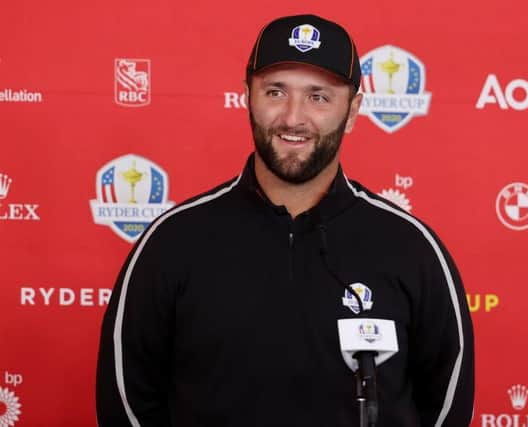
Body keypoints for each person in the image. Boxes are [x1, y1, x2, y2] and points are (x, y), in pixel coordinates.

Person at [96, 14, 474, 427]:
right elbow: (126, 403)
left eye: (319, 97)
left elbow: (447, 407)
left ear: (352, 110)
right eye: (276, 91)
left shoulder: (411, 248)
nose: (293, 118)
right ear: (247, 97)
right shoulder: (173, 242)